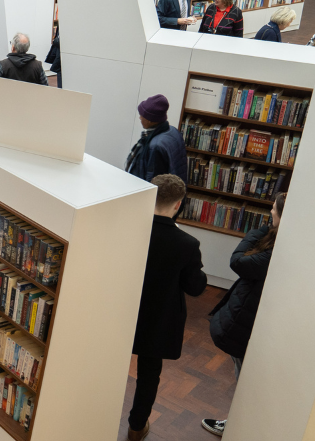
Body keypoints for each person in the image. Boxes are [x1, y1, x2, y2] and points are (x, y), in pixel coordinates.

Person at [126, 175, 207, 441]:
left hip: (123, 315)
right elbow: (195, 287)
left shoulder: (128, 229)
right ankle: (136, 427)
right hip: (158, 320)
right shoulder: (187, 243)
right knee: (149, 376)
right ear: (178, 204)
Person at [201, 192, 287, 437]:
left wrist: (267, 230)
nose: (270, 212)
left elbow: (238, 261)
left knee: (246, 378)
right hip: (257, 317)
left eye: (274, 210)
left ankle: (239, 425)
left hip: (249, 322)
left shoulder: (270, 254)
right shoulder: (281, 244)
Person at [126, 94, 188, 184]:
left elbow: (153, 180)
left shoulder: (155, 146)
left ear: (150, 119)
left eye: (142, 115)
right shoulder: (173, 131)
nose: (140, 118)